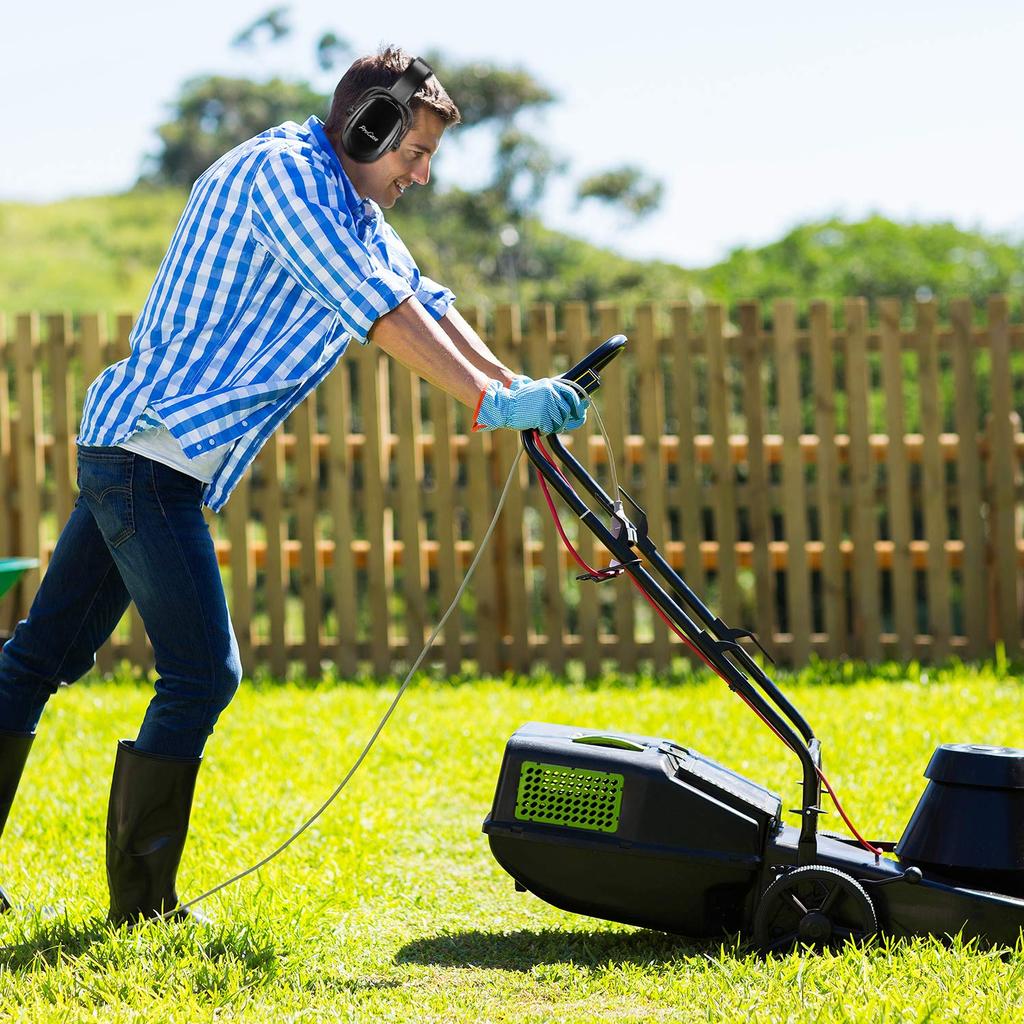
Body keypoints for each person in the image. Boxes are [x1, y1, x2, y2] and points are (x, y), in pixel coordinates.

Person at [0, 45, 588, 925]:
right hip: (147, 455)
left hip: (148, 457)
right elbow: (380, 311)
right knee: (202, 674)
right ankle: (142, 904)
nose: (420, 176)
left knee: (39, 657)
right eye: (414, 154)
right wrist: (487, 406)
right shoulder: (285, 178)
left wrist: (515, 392)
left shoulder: (343, 200)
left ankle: (136, 896)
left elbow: (420, 297)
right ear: (369, 125)